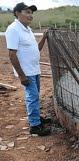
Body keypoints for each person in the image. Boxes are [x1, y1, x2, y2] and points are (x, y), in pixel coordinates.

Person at [5, 2, 50, 136]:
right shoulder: (13, 29)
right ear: (18, 13)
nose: (30, 15)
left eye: (31, 13)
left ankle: (35, 118)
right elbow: (12, 54)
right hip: (26, 72)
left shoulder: (27, 29)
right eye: (27, 12)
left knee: (34, 96)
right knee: (33, 96)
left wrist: (44, 37)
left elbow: (36, 49)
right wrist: (22, 75)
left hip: (34, 69)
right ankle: (35, 126)